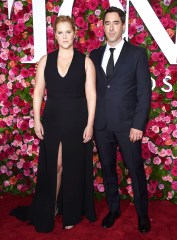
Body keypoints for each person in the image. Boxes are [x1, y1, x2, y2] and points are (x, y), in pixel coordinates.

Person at [11, 15, 96, 232]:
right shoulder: (45, 60)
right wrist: (37, 120)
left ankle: (71, 211)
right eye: (60, 32)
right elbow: (38, 92)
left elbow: (92, 95)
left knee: (73, 168)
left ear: (75, 33)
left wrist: (90, 124)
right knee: (55, 166)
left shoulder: (85, 62)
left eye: (68, 31)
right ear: (55, 35)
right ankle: (53, 206)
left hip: (77, 120)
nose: (64, 36)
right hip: (52, 119)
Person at [90, 7, 152, 233]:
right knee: (108, 171)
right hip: (102, 126)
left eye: (116, 23)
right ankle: (113, 209)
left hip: (128, 126)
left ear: (123, 25)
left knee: (135, 170)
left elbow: (144, 93)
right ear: (103, 26)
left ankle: (143, 215)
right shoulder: (95, 55)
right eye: (107, 23)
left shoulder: (136, 54)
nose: (111, 27)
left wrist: (138, 124)